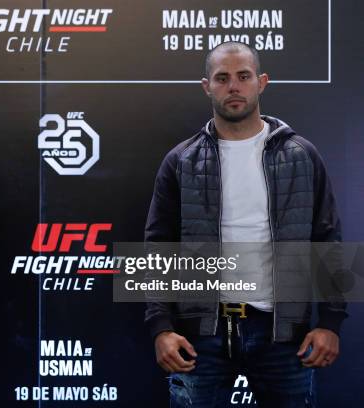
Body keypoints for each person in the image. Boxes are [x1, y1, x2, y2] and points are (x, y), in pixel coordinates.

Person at [144, 41, 347, 407]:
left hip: (283, 333)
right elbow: (159, 247)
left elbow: (327, 239)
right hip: (200, 334)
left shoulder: (302, 155)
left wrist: (331, 322)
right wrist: (161, 327)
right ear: (207, 86)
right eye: (222, 78)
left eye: (243, 76)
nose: (233, 86)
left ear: (261, 82)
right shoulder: (181, 161)